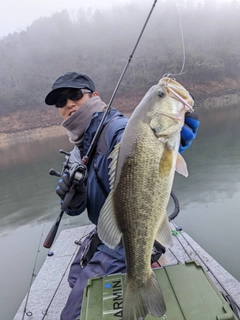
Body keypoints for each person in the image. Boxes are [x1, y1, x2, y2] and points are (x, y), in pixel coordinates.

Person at [45, 72, 200, 320]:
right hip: (110, 231)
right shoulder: (78, 149)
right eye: (60, 102)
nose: (68, 104)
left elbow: (132, 138)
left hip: (131, 233)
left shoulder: (115, 127)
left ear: (94, 96)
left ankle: (143, 275)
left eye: (74, 95)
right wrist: (73, 199)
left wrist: (172, 145)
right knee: (75, 276)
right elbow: (77, 209)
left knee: (74, 315)